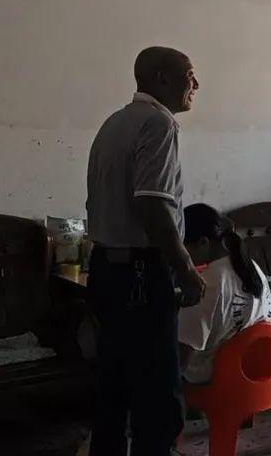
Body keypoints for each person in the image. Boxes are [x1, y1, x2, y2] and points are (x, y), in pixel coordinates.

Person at [85, 46, 206, 456]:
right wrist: (185, 268)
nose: (195, 84)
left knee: (113, 390)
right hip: (140, 275)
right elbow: (152, 204)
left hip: (106, 270)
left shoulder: (114, 122)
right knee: (157, 398)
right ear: (162, 79)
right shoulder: (159, 123)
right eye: (189, 75)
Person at [178, 203, 271, 385]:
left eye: (183, 247)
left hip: (217, 377)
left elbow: (183, 352)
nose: (182, 255)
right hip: (255, 370)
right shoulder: (251, 268)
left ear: (203, 242)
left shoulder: (206, 284)